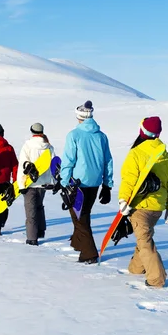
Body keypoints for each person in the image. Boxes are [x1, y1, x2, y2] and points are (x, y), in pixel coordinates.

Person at [118, 116, 168, 287]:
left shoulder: (136, 153)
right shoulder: (165, 155)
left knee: (145, 242)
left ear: (142, 131)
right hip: (157, 208)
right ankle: (136, 268)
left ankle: (156, 278)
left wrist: (123, 200)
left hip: (140, 206)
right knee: (143, 236)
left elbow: (129, 179)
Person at [60, 100, 114, 264]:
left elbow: (69, 160)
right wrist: (107, 185)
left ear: (79, 117)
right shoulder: (101, 136)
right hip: (95, 182)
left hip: (78, 182)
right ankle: (78, 243)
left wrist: (63, 181)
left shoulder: (74, 135)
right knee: (84, 213)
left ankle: (89, 253)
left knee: (79, 216)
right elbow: (108, 161)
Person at [17, 123, 55, 245]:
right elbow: (54, 165)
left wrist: (21, 185)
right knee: (39, 207)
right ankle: (40, 231)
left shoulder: (27, 146)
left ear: (32, 131)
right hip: (44, 183)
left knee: (30, 211)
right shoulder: (49, 147)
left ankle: (32, 238)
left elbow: (23, 165)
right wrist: (53, 182)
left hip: (30, 184)